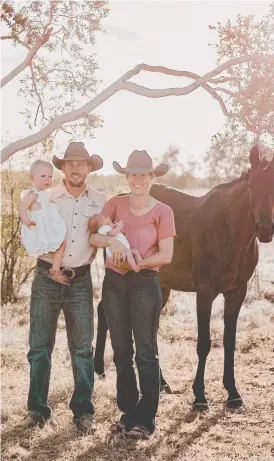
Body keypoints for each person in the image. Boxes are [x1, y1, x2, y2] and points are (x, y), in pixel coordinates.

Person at [20, 142, 114, 434]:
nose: (75, 168)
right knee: (39, 347)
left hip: (81, 280)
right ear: (62, 168)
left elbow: (105, 232)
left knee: (83, 349)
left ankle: (84, 412)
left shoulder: (100, 200)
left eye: (81, 164)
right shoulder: (46, 196)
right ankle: (37, 411)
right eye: (70, 164)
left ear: (89, 168)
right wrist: (50, 261)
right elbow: (29, 226)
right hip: (46, 276)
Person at [89, 149, 176, 439]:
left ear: (151, 177)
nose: (137, 179)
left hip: (145, 284)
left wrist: (138, 261)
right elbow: (94, 236)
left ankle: (147, 418)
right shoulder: (114, 204)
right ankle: (128, 413)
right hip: (114, 285)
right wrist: (115, 247)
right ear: (126, 177)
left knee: (146, 353)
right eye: (132, 174)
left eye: (143, 174)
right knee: (121, 351)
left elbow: (166, 254)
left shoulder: (163, 211)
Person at [19, 159, 68, 284]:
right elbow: (22, 207)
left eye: (50, 177)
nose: (47, 179)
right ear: (32, 177)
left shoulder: (48, 193)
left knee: (61, 244)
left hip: (49, 226)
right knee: (54, 245)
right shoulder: (32, 194)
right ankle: (54, 269)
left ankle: (55, 270)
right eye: (43, 176)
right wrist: (25, 219)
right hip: (39, 227)